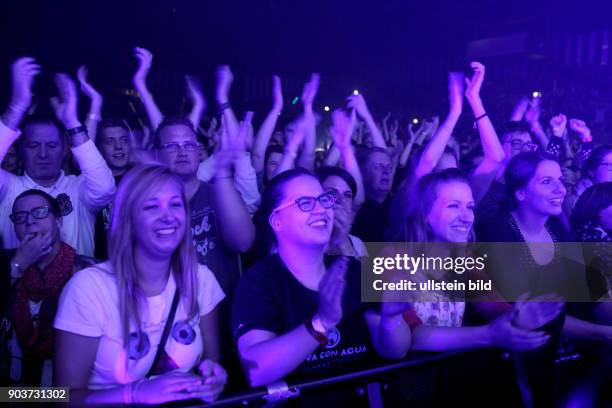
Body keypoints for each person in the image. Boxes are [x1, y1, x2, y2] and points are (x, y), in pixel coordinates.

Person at [54, 163, 227, 405]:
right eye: (151, 206)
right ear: (128, 219)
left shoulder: (200, 278)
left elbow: (212, 362)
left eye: (176, 204)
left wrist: (214, 379)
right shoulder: (88, 288)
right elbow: (58, 397)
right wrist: (134, 393)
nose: (168, 216)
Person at [233, 168, 394, 390]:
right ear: (276, 221)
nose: (322, 209)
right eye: (305, 203)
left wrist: (392, 317)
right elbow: (256, 371)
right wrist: (322, 323)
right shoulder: (259, 282)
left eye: (323, 199)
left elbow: (394, 350)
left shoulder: (356, 271)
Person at [0, 58, 115, 256]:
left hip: (77, 286)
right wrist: (18, 106)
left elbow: (105, 189)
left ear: (65, 149)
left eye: (52, 145)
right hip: (15, 285)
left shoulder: (78, 189)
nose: (43, 154)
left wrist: (71, 121)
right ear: (21, 150)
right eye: (34, 146)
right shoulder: (9, 187)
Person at [3, 189, 95, 386]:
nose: (30, 221)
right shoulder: (4, 263)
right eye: (20, 217)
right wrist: (19, 263)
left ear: (59, 220)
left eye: (40, 211)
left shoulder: (88, 271)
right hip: (11, 390)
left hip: (74, 391)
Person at [94, 118, 134, 260]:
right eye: (110, 141)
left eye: (124, 140)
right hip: (102, 267)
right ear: (99, 148)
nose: (118, 147)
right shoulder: (90, 184)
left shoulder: (141, 180)